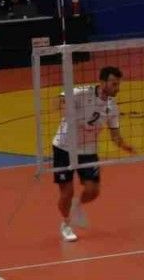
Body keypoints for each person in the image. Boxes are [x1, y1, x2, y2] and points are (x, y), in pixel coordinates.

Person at [52, 66, 136, 242]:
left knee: (93, 190)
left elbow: (115, 135)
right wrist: (67, 111)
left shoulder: (112, 107)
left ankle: (76, 207)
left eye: (118, 84)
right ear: (103, 82)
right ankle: (66, 224)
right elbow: (60, 99)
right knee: (67, 192)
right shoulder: (82, 93)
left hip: (88, 150)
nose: (117, 88)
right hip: (64, 147)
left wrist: (125, 146)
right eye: (114, 84)